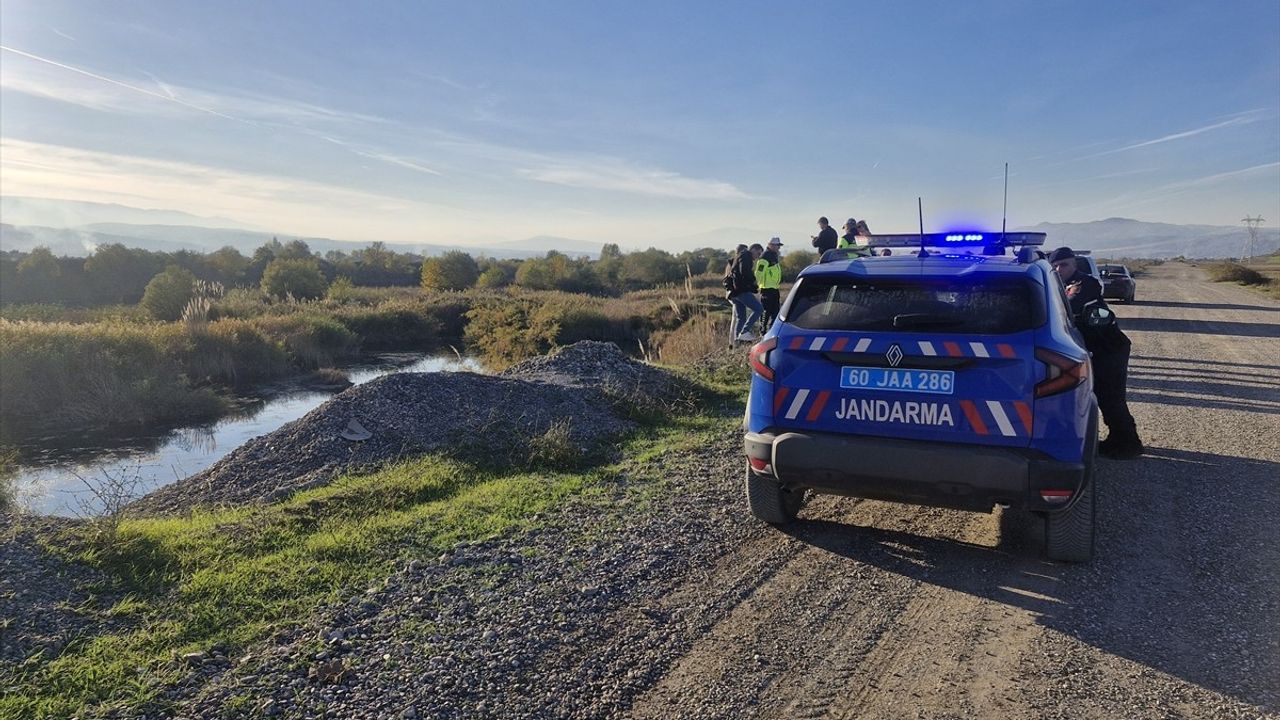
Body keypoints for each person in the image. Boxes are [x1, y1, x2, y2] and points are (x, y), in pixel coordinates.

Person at [1048, 247, 1144, 459]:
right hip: (1095, 349)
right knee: (1102, 395)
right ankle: (1117, 439)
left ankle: (1129, 444)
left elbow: (1069, 307)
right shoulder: (1057, 285)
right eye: (1054, 265)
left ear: (1074, 264)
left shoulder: (1084, 283)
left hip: (1109, 347)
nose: (1059, 268)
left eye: (1064, 264)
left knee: (1111, 396)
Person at [726, 243, 764, 342]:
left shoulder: (737, 257)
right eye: (758, 253)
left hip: (734, 293)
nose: (758, 257)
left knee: (741, 318)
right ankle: (744, 332)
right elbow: (745, 272)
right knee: (759, 309)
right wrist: (754, 283)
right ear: (753, 250)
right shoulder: (746, 256)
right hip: (741, 291)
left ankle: (738, 341)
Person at [755, 238, 784, 332]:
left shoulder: (774, 255)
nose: (778, 248)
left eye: (779, 246)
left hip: (774, 288)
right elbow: (759, 273)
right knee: (766, 312)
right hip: (767, 289)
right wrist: (756, 286)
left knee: (775, 311)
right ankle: (762, 330)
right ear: (771, 245)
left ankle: (772, 330)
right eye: (777, 246)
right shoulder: (765, 257)